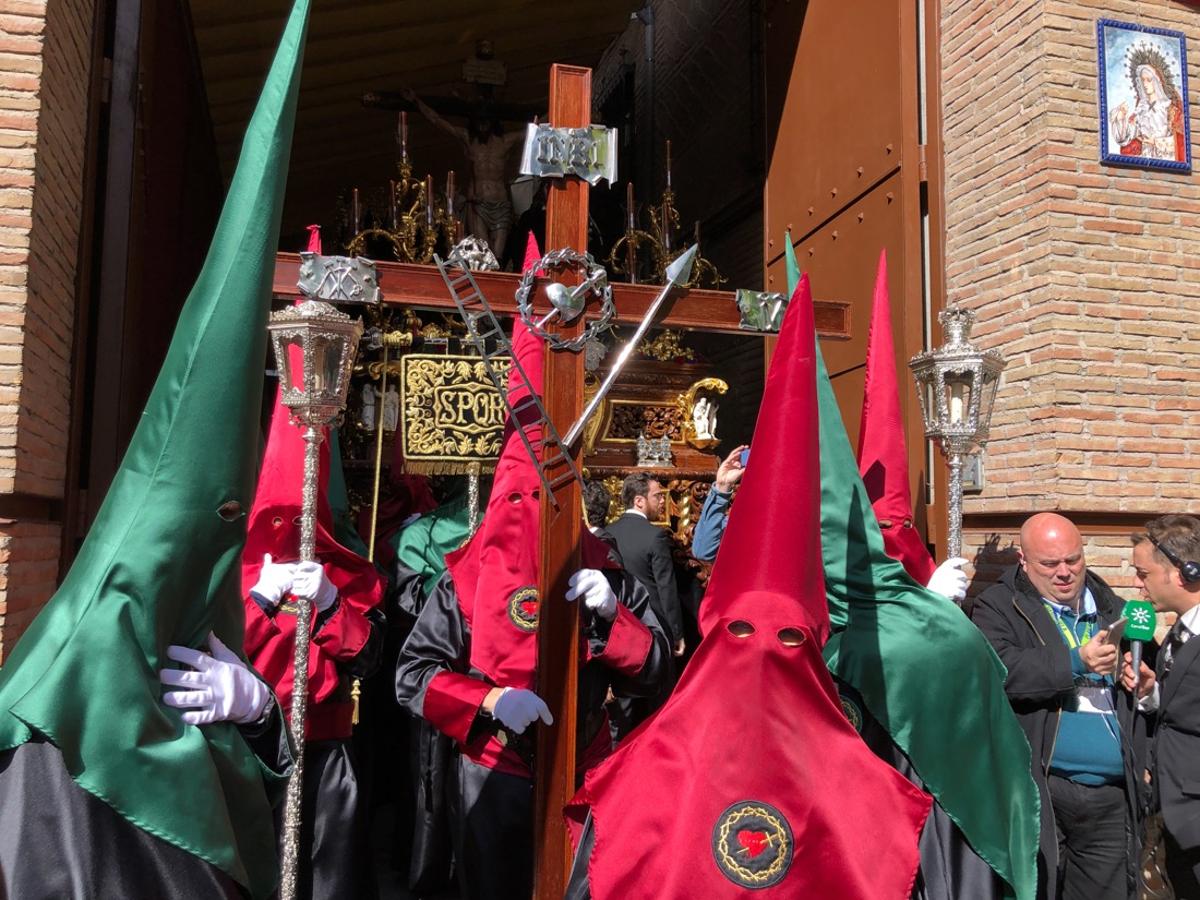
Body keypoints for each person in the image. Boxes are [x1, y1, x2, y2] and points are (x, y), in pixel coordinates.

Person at [394, 322, 671, 900]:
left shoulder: (607, 571)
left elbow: (657, 668)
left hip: (584, 771)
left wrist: (612, 614)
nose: (530, 519)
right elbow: (412, 677)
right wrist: (491, 699)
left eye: (544, 503)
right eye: (517, 501)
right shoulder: (461, 584)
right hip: (492, 774)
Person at [240, 382, 386, 900]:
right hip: (247, 750)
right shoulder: (232, 570)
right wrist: (257, 602)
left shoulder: (345, 575)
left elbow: (370, 659)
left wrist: (329, 605)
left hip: (325, 754)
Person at [972, 512, 1156, 900]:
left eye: (1073, 560)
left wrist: (1144, 687)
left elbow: (1158, 693)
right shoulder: (999, 606)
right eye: (1050, 564)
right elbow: (998, 671)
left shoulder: (1115, 607)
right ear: (1023, 559)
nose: (1064, 573)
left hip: (1112, 794)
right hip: (1041, 788)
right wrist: (1076, 661)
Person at [1132, 514, 1200, 897]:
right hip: (1174, 817)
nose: (1137, 584)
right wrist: (1150, 692)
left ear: (1183, 572)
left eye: (1143, 573)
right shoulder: (1179, 630)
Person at [403, 86, 526, 260]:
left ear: (492, 122)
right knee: (485, 254)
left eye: (486, 121)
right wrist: (416, 101)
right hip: (479, 203)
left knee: (497, 255)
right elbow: (437, 121)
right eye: (479, 121)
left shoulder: (505, 142)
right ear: (474, 122)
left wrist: (555, 109)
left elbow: (533, 131)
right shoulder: (468, 139)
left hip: (501, 203)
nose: (483, 125)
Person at [606, 473, 686, 656]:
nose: (661, 501)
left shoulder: (608, 533)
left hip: (618, 626)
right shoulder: (655, 536)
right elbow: (666, 588)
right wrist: (676, 633)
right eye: (657, 496)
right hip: (652, 627)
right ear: (639, 501)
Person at [1110, 62, 1187, 162]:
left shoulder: (1169, 109)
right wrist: (1120, 119)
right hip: (1146, 158)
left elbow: (1181, 142)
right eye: (1143, 80)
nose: (1145, 84)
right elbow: (1127, 137)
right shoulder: (1142, 110)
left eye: (1149, 80)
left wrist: (1156, 142)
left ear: (1157, 82)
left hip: (1166, 159)